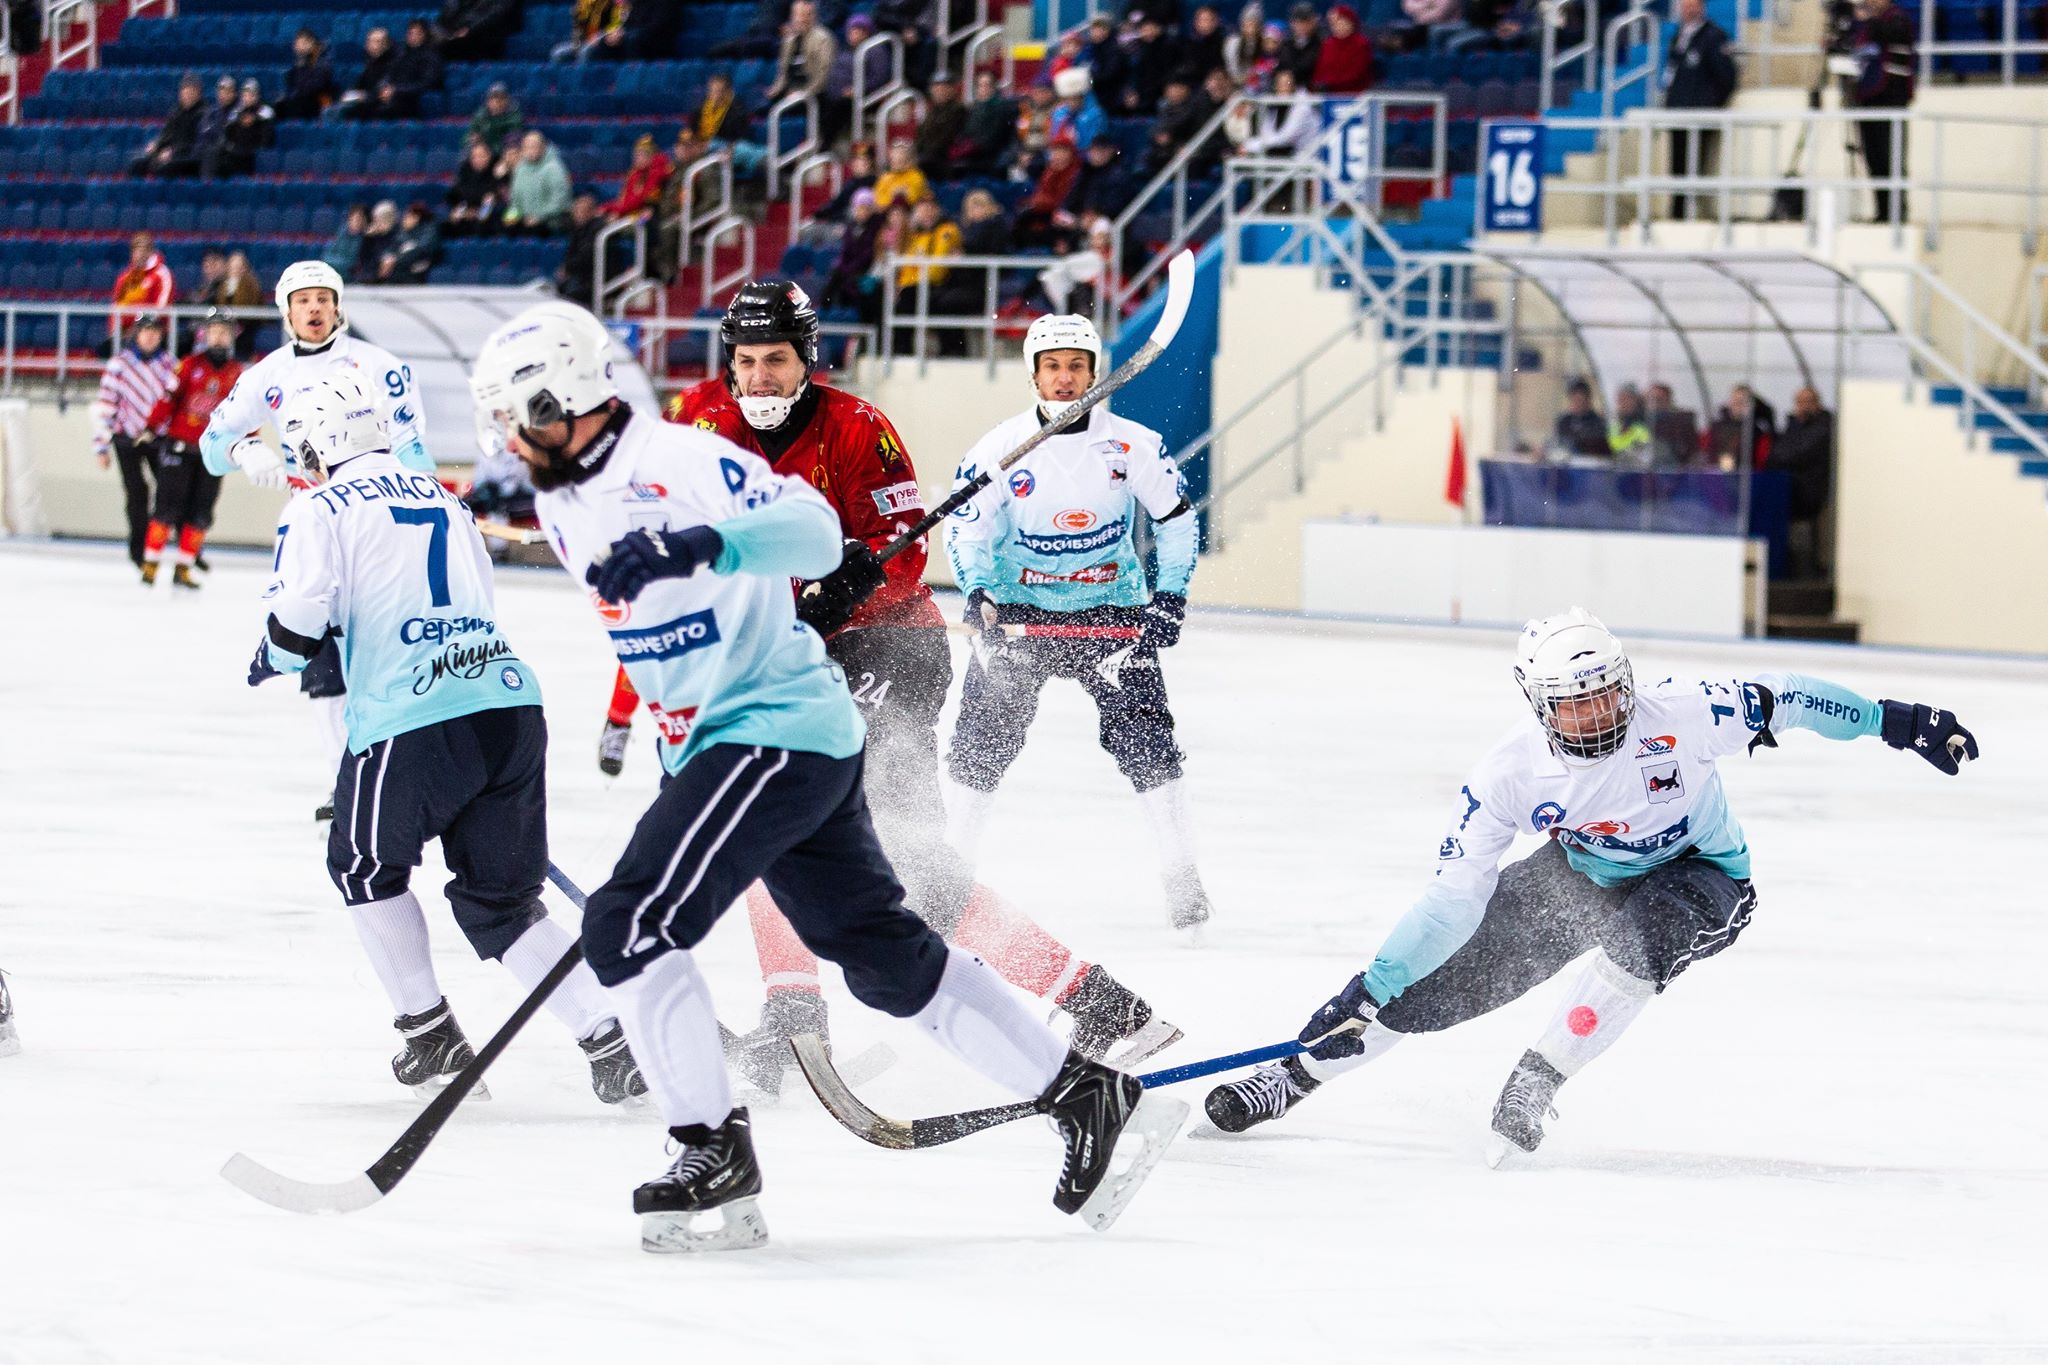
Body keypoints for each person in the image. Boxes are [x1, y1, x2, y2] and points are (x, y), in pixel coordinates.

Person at [468, 301, 1186, 1251]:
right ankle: (1089, 1092)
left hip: (774, 723)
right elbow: (658, 636)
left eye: (519, 423)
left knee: (629, 923)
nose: (510, 446)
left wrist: (707, 541)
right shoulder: (564, 494)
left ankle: (709, 1147)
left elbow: (808, 529)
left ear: (564, 403)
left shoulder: (672, 457)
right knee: (884, 953)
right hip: (754, 733)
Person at [646, 282, 1183, 1088]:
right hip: (781, 658)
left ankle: (1098, 1002)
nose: (758, 378)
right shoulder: (695, 421)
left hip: (886, 648)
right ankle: (796, 1019)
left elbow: (903, 546)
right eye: (746, 362)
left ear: (808, 360)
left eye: (776, 361)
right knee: (774, 833)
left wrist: (850, 576)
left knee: (906, 869)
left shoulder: (858, 429)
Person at [1204, 608, 1979, 1162]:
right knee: (1426, 991)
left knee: (1636, 941)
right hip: (1584, 874)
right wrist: (1370, 986)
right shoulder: (1507, 774)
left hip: (1704, 875)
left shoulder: (1684, 711)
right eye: (1573, 704)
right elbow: (1450, 904)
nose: (1597, 713)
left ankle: (1535, 1081)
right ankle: (1293, 1073)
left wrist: (1899, 720)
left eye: (1607, 692)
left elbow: (1793, 696)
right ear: (1539, 705)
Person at [247, 375, 647, 1107]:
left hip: (411, 715)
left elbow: (299, 623)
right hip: (507, 708)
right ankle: (611, 1037)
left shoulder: (319, 504)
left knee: (364, 867)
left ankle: (430, 1034)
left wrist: (270, 655)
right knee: (503, 903)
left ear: (320, 441)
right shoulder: (444, 496)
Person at [942, 313, 1213, 933]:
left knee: (1149, 746)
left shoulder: (1133, 444)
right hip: (1018, 614)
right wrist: (978, 593)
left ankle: (1182, 878)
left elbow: (1175, 520)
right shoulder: (997, 448)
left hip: (1111, 612)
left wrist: (1169, 596)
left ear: (1096, 373)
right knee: (980, 747)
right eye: (1052, 367)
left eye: (1076, 367)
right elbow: (968, 528)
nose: (1065, 380)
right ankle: (950, 877)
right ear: (1034, 375)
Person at [200, 260, 433, 822]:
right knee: (322, 659)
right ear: (285, 311)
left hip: (377, 526)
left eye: (323, 298)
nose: (313, 309)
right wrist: (244, 451)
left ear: (338, 305)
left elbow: (413, 452)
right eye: (302, 300)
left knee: (385, 648)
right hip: (314, 524)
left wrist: (421, 506)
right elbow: (211, 443)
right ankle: (343, 782)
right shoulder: (267, 374)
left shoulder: (381, 367)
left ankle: (396, 766)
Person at [136, 312, 240, 589]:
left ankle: (184, 568)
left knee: (202, 512)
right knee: (167, 507)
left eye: (224, 331)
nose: (218, 336)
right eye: (214, 330)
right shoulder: (188, 365)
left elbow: (244, 413)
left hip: (213, 452)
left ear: (232, 335)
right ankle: (150, 564)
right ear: (204, 334)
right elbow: (168, 399)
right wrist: (150, 427)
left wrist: (245, 443)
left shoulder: (236, 374)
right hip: (179, 447)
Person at [91, 315, 177, 569]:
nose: (150, 337)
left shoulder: (170, 365)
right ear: (135, 335)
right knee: (136, 493)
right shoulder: (119, 365)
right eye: (145, 332)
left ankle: (158, 545)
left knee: (167, 491)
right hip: (126, 437)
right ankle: (138, 549)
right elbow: (106, 405)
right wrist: (100, 446)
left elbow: (175, 403)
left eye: (155, 332)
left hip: (158, 437)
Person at [1662, 0, 1737, 221]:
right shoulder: (1678, 36)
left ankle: (1691, 215)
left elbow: (1726, 78)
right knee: (1677, 168)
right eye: (1684, 5)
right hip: (1678, 114)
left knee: (1695, 167)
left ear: (1701, 7)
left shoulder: (1714, 37)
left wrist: (1710, 105)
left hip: (1699, 115)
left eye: (1692, 4)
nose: (1688, 9)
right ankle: (1677, 215)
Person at [1847, 0, 1915, 224]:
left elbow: (1891, 34)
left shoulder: (1898, 19)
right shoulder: (1864, 23)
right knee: (1873, 158)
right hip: (1866, 98)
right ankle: (1882, 211)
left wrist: (1866, 17)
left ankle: (1897, 213)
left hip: (1891, 99)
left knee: (1891, 158)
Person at [1771, 386, 1835, 576]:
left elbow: (1793, 454)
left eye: (1808, 402)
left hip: (1813, 493)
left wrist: (1783, 456)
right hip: (1790, 490)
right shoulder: (1792, 426)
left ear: (1817, 404)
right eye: (1800, 402)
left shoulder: (1823, 427)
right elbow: (1776, 455)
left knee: (1811, 539)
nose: (1803, 406)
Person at [110, 233, 175, 348]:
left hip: (154, 330)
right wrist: (114, 331)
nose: (140, 254)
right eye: (136, 250)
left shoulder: (162, 273)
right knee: (106, 348)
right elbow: (116, 307)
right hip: (126, 333)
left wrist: (139, 327)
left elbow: (162, 307)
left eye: (144, 250)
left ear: (151, 252)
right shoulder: (124, 278)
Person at [766, 0, 836, 105]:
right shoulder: (788, 41)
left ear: (813, 16)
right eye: (798, 15)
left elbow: (823, 76)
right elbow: (783, 72)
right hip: (791, 91)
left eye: (806, 15)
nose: (801, 19)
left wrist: (802, 94)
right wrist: (775, 90)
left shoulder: (823, 39)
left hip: (813, 95)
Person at [505, 129, 573, 235]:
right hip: (526, 218)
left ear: (543, 147)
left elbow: (560, 202)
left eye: (534, 146)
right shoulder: (520, 169)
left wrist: (539, 217)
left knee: (533, 230)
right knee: (504, 226)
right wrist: (510, 218)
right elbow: (515, 201)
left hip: (550, 220)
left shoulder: (554, 169)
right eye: (527, 147)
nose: (530, 151)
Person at [211, 79, 276, 179]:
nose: (248, 98)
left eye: (251, 95)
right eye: (245, 95)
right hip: (237, 150)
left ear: (257, 95)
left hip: (255, 152)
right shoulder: (237, 113)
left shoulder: (265, 111)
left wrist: (255, 119)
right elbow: (229, 134)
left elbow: (267, 137)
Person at [331, 28, 398, 121]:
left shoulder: (393, 63)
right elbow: (359, 85)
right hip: (366, 101)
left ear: (386, 45)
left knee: (337, 112)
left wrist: (364, 96)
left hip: (380, 104)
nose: (372, 45)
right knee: (332, 109)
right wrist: (351, 94)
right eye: (370, 41)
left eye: (377, 41)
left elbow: (383, 91)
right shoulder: (370, 63)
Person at [445, 140, 508, 236]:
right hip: (466, 211)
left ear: (489, 156)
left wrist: (478, 212)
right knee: (448, 224)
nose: (477, 160)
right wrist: (461, 211)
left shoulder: (496, 173)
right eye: (474, 157)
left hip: (488, 216)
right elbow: (456, 196)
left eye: (481, 156)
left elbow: (491, 197)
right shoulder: (465, 172)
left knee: (482, 225)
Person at [555, 192, 607, 306]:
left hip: (593, 279)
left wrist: (568, 267)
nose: (576, 214)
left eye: (580, 211)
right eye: (576, 211)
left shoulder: (598, 230)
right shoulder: (578, 230)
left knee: (570, 293)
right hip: (580, 276)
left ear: (592, 212)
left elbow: (587, 256)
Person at [274, 28, 337, 120]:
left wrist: (302, 67)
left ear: (311, 43)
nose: (298, 47)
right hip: (301, 100)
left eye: (302, 43)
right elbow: (291, 83)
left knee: (298, 103)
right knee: (278, 106)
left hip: (318, 101)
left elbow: (316, 86)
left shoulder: (322, 61)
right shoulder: (299, 62)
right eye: (297, 43)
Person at [1311, 3, 1373, 92]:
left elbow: (1357, 73)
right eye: (1332, 23)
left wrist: (1331, 83)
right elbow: (1320, 71)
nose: (1336, 26)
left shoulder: (1361, 44)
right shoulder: (1327, 44)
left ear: (1350, 22)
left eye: (1339, 21)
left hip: (1355, 94)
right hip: (1328, 94)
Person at [378, 202, 442, 284]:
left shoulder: (429, 231)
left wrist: (395, 260)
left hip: (419, 266)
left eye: (406, 217)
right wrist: (387, 258)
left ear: (416, 218)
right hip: (399, 266)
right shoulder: (403, 232)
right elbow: (392, 247)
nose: (403, 220)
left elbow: (422, 250)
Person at [437, 0, 520, 61]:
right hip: (459, 31)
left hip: (490, 33)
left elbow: (495, 13)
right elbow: (447, 14)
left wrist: (469, 28)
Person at [1550, 379, 1609, 457]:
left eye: (1580, 399)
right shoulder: (1564, 421)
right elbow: (1557, 443)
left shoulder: (1598, 423)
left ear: (1588, 400)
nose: (1577, 403)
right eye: (1574, 399)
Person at [872, 136, 930, 209]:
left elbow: (914, 198)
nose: (894, 163)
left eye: (900, 161)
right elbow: (878, 199)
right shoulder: (885, 177)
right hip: (888, 213)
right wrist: (892, 196)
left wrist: (903, 194)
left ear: (909, 160)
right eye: (893, 161)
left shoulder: (916, 176)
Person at [466, 82, 524, 155]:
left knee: (512, 151)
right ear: (488, 101)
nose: (497, 102)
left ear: (507, 100)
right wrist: (473, 139)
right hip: (484, 153)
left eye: (501, 98)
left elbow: (513, 139)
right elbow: (470, 134)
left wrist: (488, 147)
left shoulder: (514, 114)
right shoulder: (480, 115)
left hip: (504, 152)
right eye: (493, 98)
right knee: (468, 151)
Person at [324, 203, 371, 277]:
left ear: (364, 221)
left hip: (350, 275)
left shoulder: (366, 238)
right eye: (352, 218)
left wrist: (332, 264)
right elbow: (328, 254)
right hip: (336, 268)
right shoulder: (342, 232)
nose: (354, 221)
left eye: (358, 219)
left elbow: (351, 261)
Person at [1607, 382, 1651, 460]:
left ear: (1636, 400)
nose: (1623, 403)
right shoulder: (1613, 423)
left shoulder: (1645, 424)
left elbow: (1645, 451)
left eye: (1627, 398)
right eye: (1620, 399)